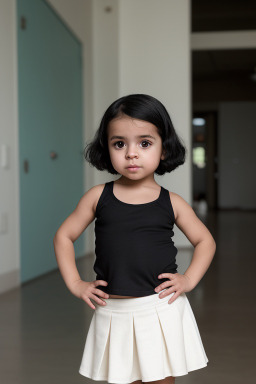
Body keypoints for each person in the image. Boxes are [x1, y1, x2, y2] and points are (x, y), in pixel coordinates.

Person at [53, 94, 216, 384]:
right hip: (113, 312)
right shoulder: (97, 197)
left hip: (159, 308)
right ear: (107, 149)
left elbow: (205, 241)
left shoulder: (172, 202)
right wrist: (76, 283)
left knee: (160, 380)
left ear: (164, 149)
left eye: (144, 143)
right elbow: (64, 235)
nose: (131, 153)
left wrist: (188, 280)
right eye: (119, 144)